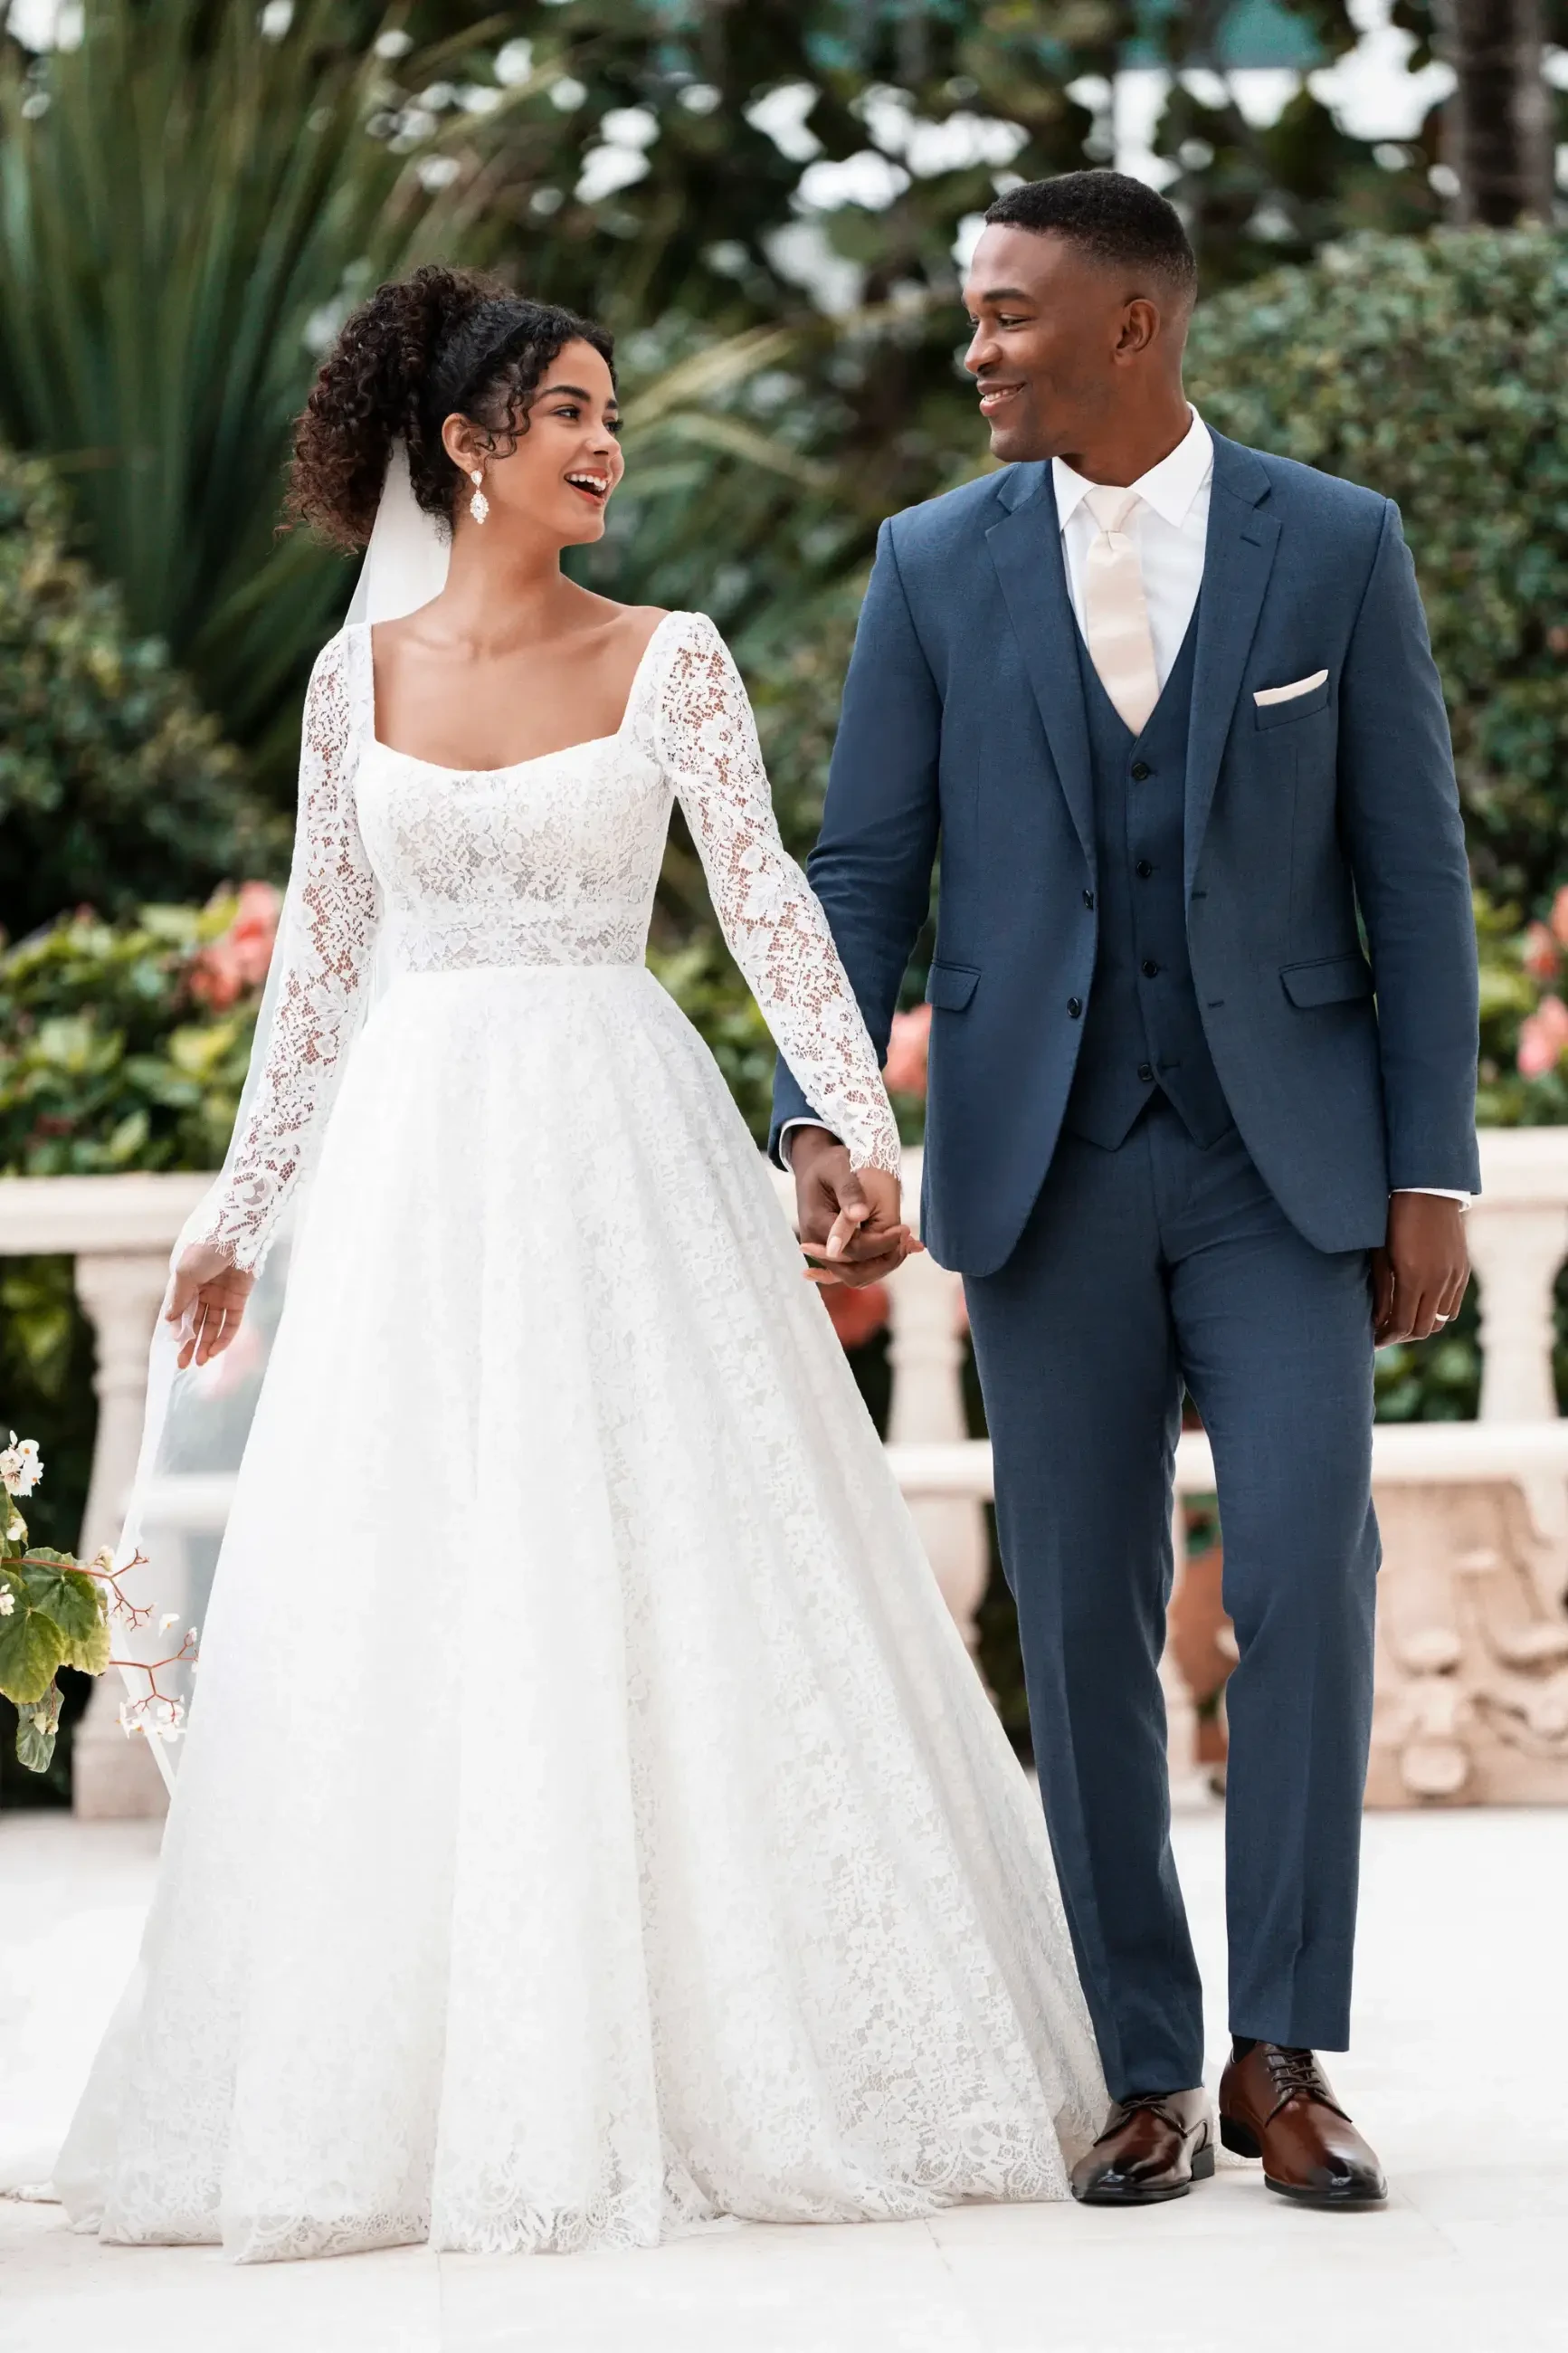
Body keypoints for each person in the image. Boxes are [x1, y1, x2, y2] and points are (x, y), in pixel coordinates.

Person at [54, 268, 1103, 2261]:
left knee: (672, 1566)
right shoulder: (351, 686)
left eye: (610, 412)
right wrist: (231, 1217)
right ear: (466, 447)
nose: (608, 444)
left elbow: (770, 903)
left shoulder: (670, 658)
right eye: (569, 414)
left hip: (620, 1146)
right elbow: (316, 981)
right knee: (424, 1583)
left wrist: (858, 1125)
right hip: (416, 1177)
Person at [774, 172, 1479, 2210]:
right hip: (1044, 1166)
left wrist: (1427, 1170)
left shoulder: (1331, 542)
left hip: (1283, 1170)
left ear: (1132, 325)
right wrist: (820, 1113)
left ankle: (1283, 2052)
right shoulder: (931, 561)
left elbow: (1414, 877)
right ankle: (1144, 2064)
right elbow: (860, 871)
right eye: (975, 312)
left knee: (1304, 1572)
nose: (975, 348)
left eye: (1008, 313)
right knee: (1080, 1615)